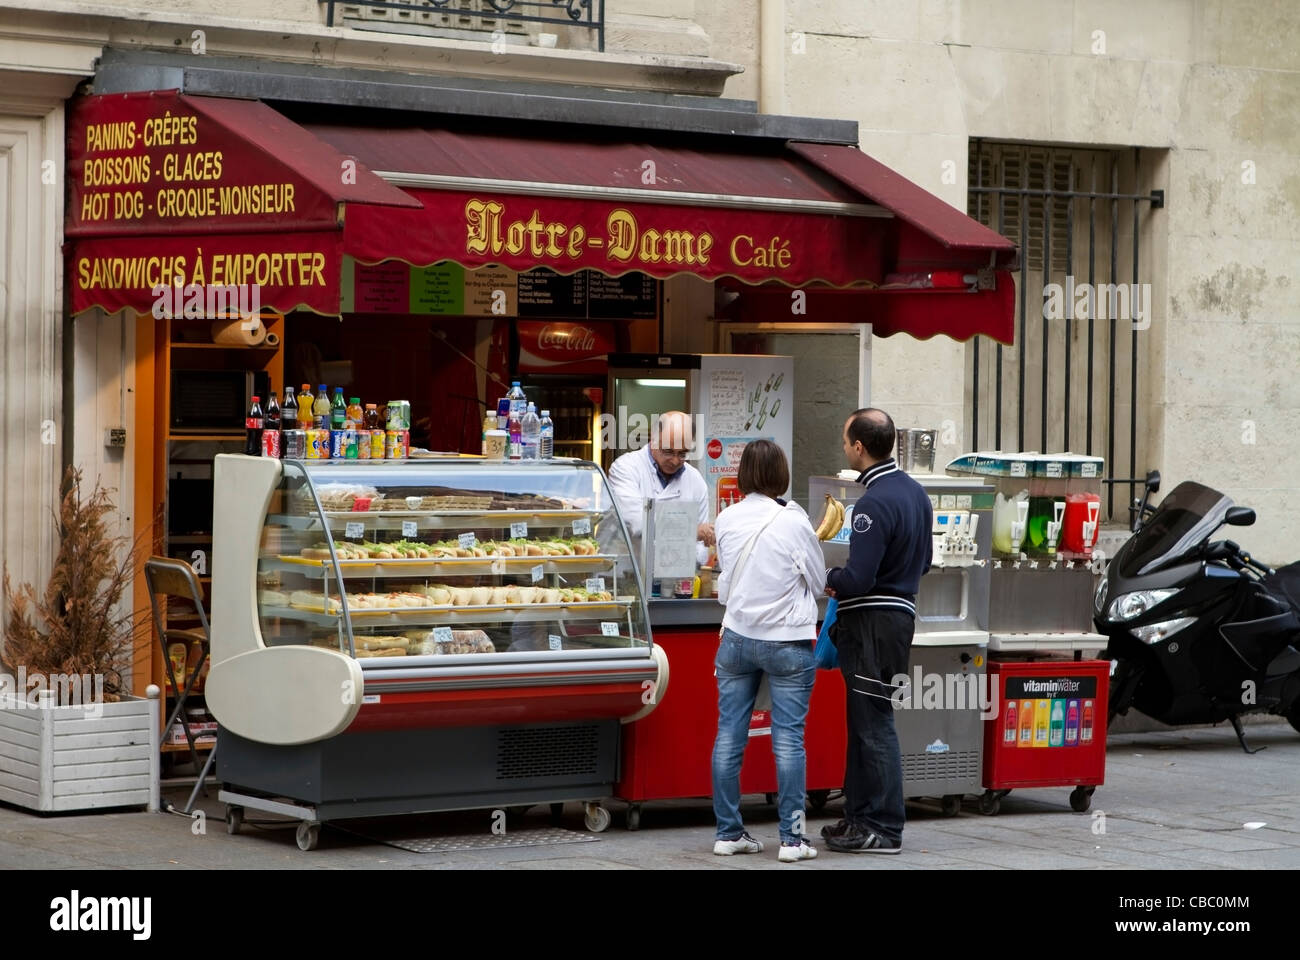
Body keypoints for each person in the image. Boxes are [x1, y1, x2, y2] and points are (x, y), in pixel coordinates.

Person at [709, 440, 826, 862]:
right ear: (781, 474)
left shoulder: (726, 518)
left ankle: (728, 833)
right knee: (789, 740)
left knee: (728, 736)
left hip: (737, 639)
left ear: (743, 477)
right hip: (787, 641)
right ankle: (792, 842)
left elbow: (727, 572)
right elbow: (816, 580)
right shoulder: (794, 521)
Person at [822, 408, 932, 854]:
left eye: (846, 439)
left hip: (871, 622)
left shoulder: (871, 503)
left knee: (874, 724)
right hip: (898, 618)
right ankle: (859, 819)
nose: (844, 446)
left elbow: (859, 579)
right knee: (866, 720)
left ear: (859, 448)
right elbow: (924, 563)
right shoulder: (915, 494)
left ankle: (883, 827)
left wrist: (827, 575)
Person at [606, 411, 714, 572]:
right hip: (628, 573)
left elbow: (700, 547)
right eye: (668, 451)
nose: (676, 460)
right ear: (653, 441)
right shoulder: (626, 468)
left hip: (677, 579)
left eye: (683, 453)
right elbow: (638, 523)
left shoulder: (695, 480)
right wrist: (691, 530)